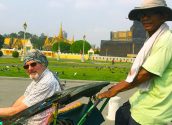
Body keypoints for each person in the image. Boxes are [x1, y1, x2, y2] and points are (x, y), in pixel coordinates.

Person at [98, 0, 172, 124]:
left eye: (150, 13)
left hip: (153, 110)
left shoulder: (167, 39)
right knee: (121, 113)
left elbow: (145, 74)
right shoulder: (152, 40)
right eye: (142, 15)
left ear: (163, 16)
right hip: (141, 100)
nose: (145, 18)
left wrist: (115, 89)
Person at [0, 49, 62, 124]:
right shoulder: (39, 78)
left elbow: (17, 111)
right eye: (26, 66)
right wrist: (9, 114)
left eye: (33, 64)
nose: (30, 68)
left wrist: (10, 114)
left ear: (43, 64)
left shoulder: (47, 82)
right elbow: (24, 98)